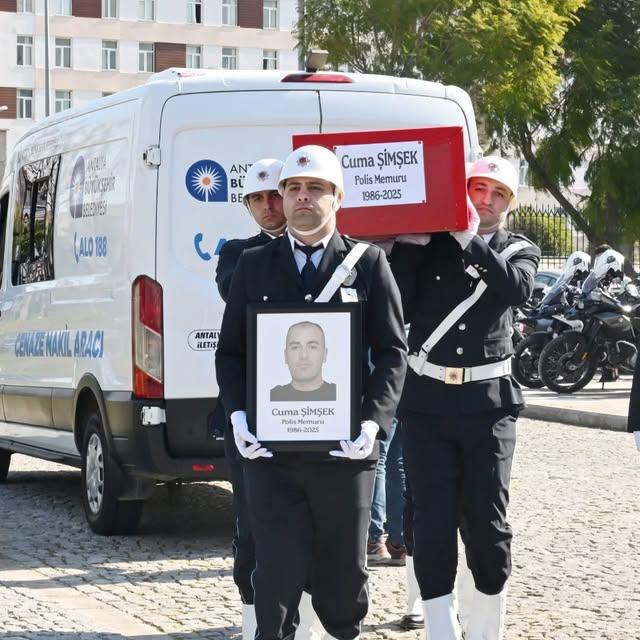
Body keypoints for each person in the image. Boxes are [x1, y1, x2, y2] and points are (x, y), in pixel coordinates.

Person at [216, 144, 407, 640]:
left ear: (338, 197)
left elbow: (392, 353)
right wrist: (238, 416)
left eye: (316, 188)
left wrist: (372, 424)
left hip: (344, 457)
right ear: (282, 196)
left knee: (343, 588)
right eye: (294, 188)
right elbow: (230, 352)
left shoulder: (368, 266)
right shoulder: (253, 266)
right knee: (274, 584)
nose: (303, 198)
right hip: (272, 458)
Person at [390, 156, 541, 640]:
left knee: (487, 517)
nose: (486, 199)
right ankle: (440, 627)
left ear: (509, 204)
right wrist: (407, 249)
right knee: (430, 516)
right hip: (427, 400)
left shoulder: (520, 249)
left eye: (498, 193)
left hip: (487, 404)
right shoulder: (429, 246)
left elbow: (515, 289)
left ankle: (486, 629)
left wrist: (470, 240)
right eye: (478, 188)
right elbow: (397, 305)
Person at [215, 158, 326, 640]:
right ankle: (252, 615)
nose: (268, 207)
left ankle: (309, 617)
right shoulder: (240, 255)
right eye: (256, 199)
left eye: (273, 196)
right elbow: (233, 297)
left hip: (315, 407)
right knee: (253, 522)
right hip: (260, 408)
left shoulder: (327, 252)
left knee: (318, 520)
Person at [270, 321, 336, 401]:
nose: (303, 355)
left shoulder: (342, 395)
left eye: (312, 347)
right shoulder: (271, 397)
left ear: (324, 354)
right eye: (295, 347)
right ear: (285, 355)